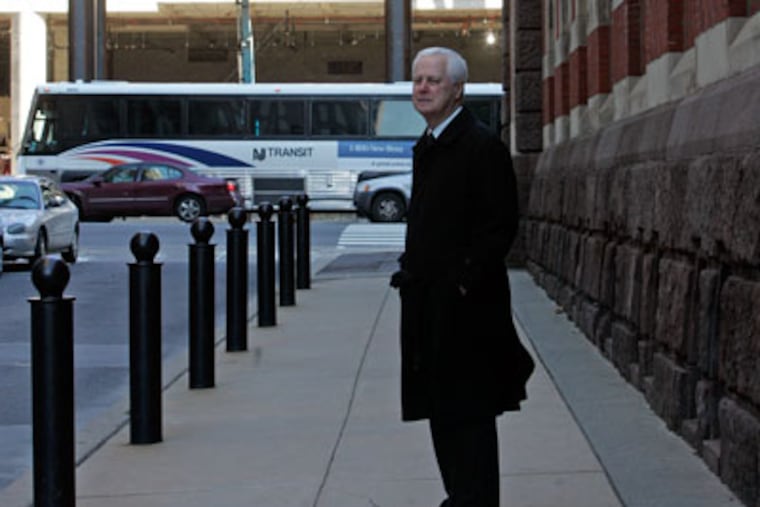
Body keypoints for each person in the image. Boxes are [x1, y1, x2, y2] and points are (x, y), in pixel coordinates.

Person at [390, 46, 535, 507]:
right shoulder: (429, 144)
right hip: (429, 308)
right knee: (441, 414)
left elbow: (499, 227)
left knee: (468, 419)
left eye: (433, 80)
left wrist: (460, 281)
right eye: (417, 80)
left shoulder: (480, 145)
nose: (423, 88)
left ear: (457, 90)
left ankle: (473, 501)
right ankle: (459, 498)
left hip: (465, 315)